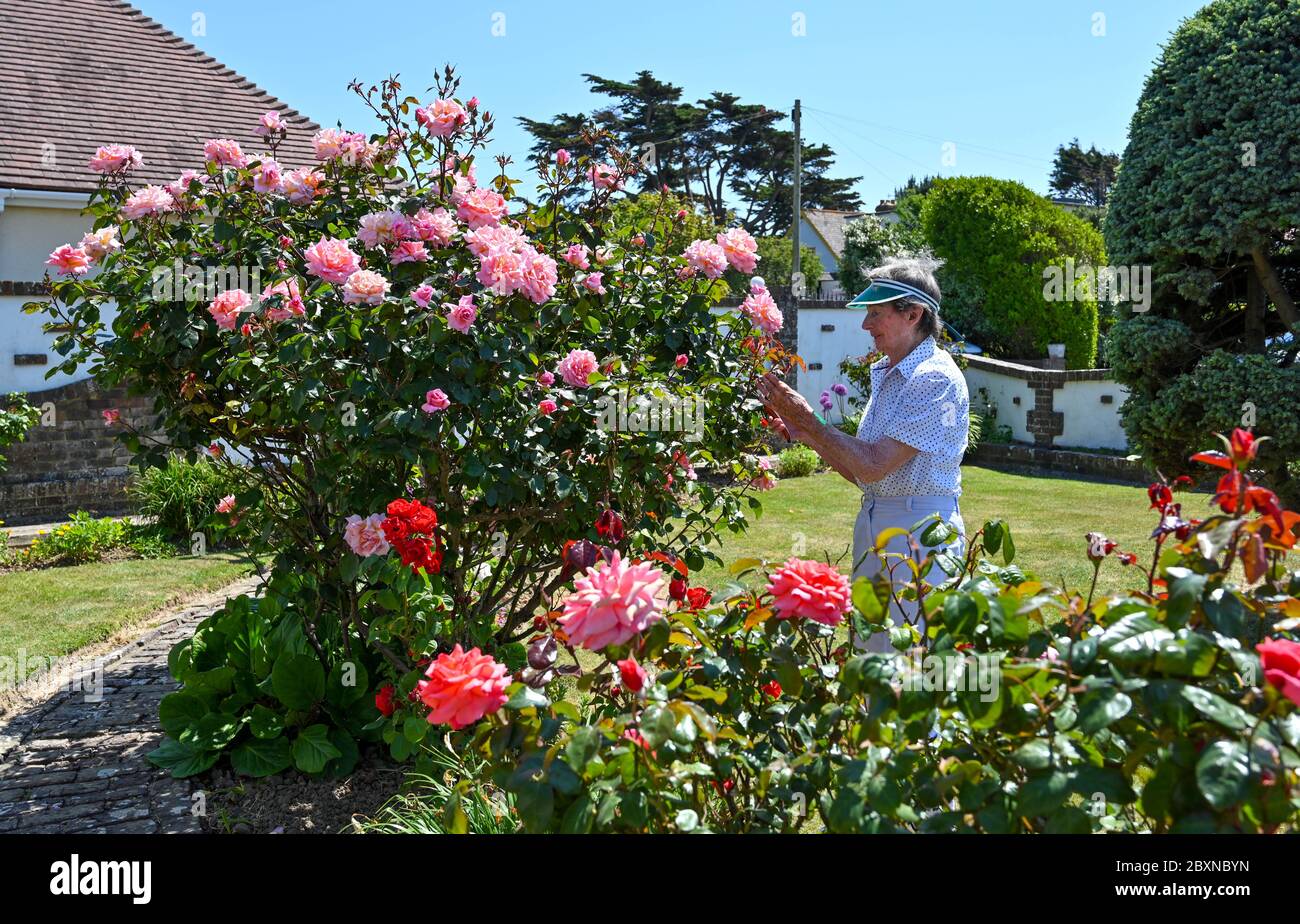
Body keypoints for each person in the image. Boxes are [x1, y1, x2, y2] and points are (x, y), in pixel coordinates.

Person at [757, 255, 969, 651]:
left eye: (876, 313)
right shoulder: (889, 372)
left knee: (911, 656)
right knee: (871, 653)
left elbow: (874, 464)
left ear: (913, 314)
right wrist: (805, 432)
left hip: (920, 531)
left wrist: (813, 423)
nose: (865, 325)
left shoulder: (933, 377)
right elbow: (862, 472)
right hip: (878, 520)